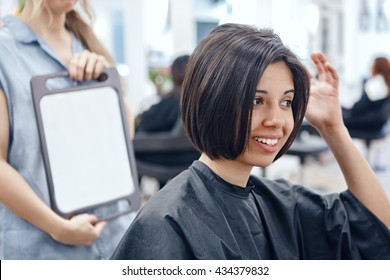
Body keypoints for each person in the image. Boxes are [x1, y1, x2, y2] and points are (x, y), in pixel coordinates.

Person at [111, 23, 390, 260]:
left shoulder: (281, 203)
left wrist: (333, 127)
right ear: (214, 101)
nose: (277, 120)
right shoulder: (167, 223)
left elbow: (375, 229)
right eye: (257, 100)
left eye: (286, 102)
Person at [0, 0, 135, 259]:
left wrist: (103, 81)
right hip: (43, 248)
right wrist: (57, 227)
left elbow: (125, 137)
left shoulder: (87, 44)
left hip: (115, 234)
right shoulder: (5, 51)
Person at [135, 54, 190, 133]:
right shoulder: (195, 103)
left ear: (174, 75)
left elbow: (145, 120)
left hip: (154, 143)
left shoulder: (173, 102)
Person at [342, 56, 390, 133]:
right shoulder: (386, 83)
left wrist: (350, 108)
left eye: (371, 66)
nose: (370, 68)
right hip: (377, 123)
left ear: (377, 67)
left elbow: (359, 108)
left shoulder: (375, 83)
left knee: (336, 119)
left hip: (367, 122)